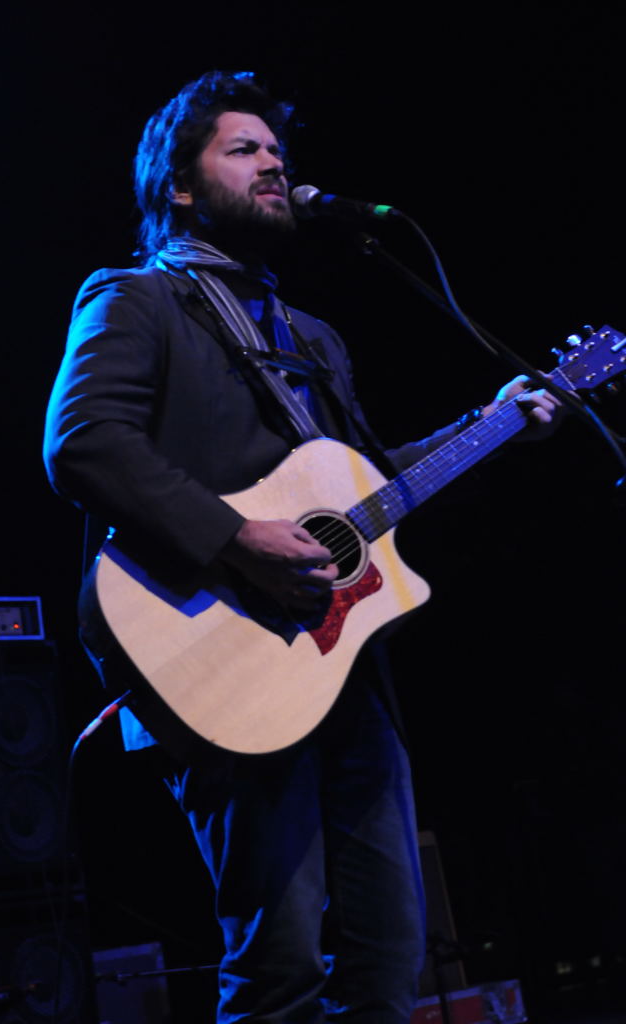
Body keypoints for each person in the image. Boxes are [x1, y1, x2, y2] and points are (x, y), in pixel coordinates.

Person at [43, 70, 558, 1024]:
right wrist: (238, 537)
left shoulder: (311, 336)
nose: (274, 164)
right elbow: (84, 443)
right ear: (180, 186)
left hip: (340, 668)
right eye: (244, 149)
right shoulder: (135, 299)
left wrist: (490, 426)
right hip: (217, 651)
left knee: (390, 960)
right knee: (279, 966)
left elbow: (367, 487)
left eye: (278, 150)